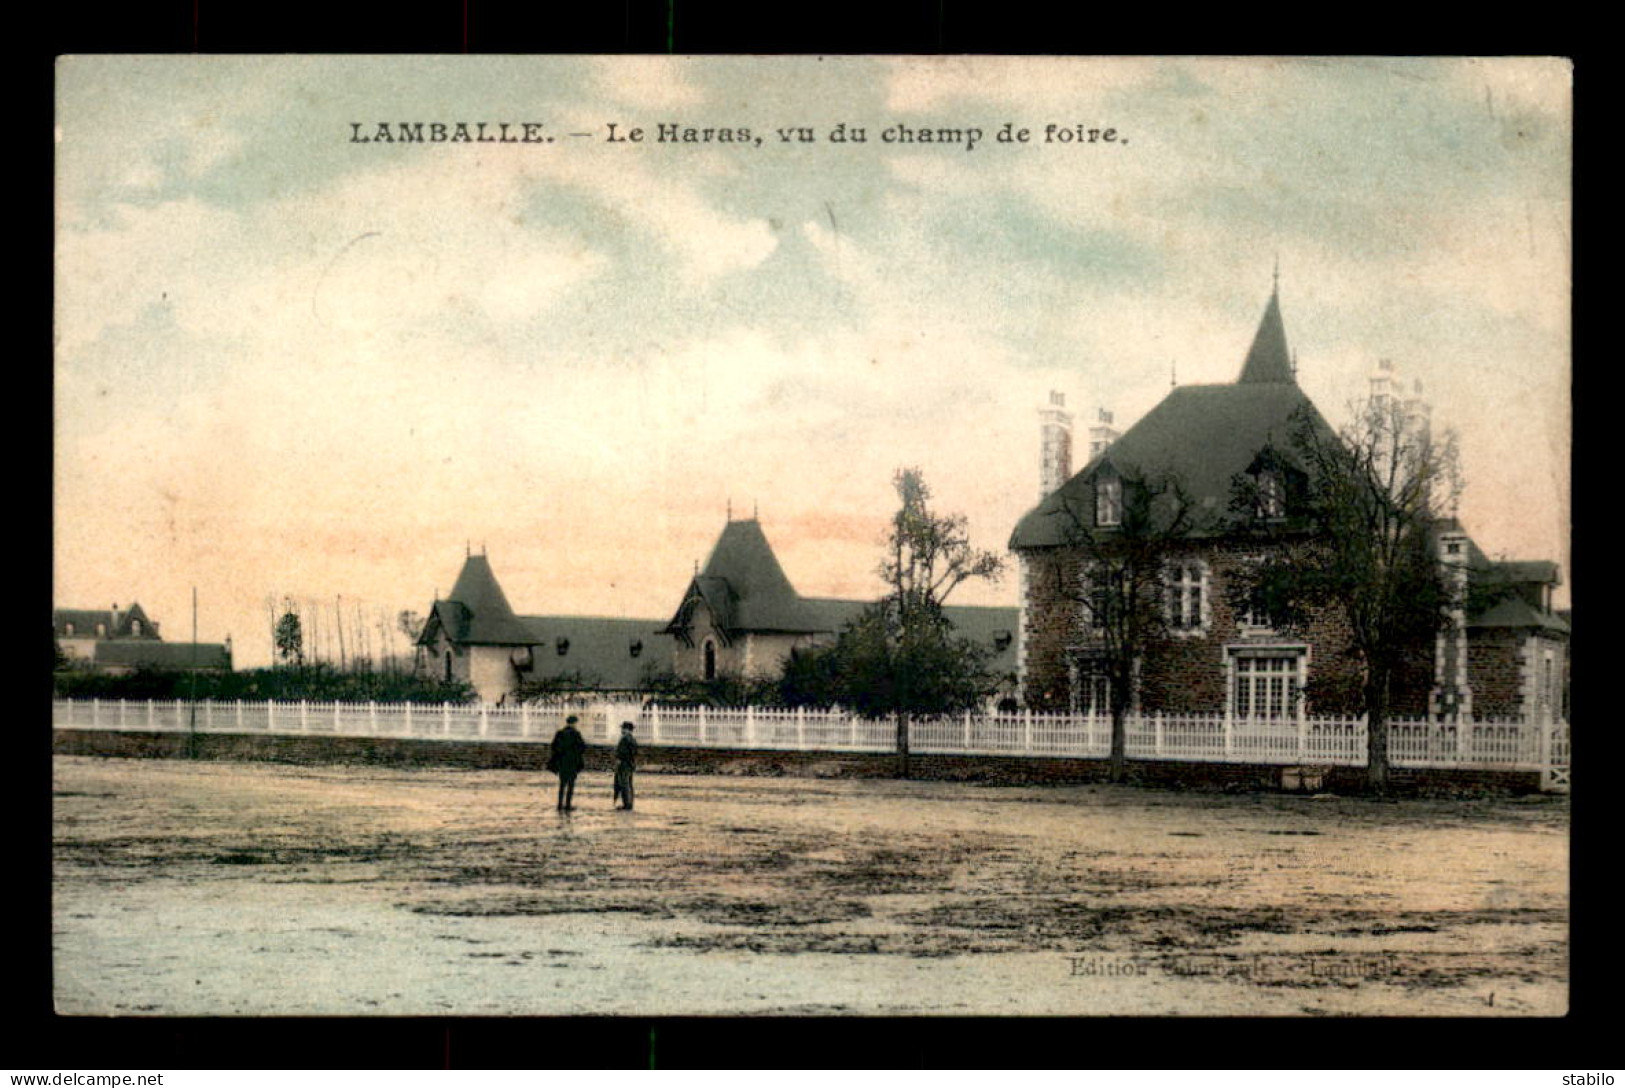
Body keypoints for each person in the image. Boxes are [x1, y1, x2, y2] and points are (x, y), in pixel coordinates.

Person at [546, 715, 587, 811]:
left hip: (562, 763)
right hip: (572, 763)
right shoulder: (576, 734)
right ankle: (568, 804)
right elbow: (582, 747)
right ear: (574, 723)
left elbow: (554, 746)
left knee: (562, 784)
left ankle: (560, 804)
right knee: (571, 785)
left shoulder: (560, 733)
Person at [612, 721, 638, 811]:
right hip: (630, 764)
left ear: (627, 729)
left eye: (623, 728)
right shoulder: (632, 739)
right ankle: (629, 803)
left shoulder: (625, 739)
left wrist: (618, 762)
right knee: (629, 784)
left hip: (624, 764)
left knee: (624, 784)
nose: (622, 730)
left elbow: (621, 753)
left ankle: (627, 804)